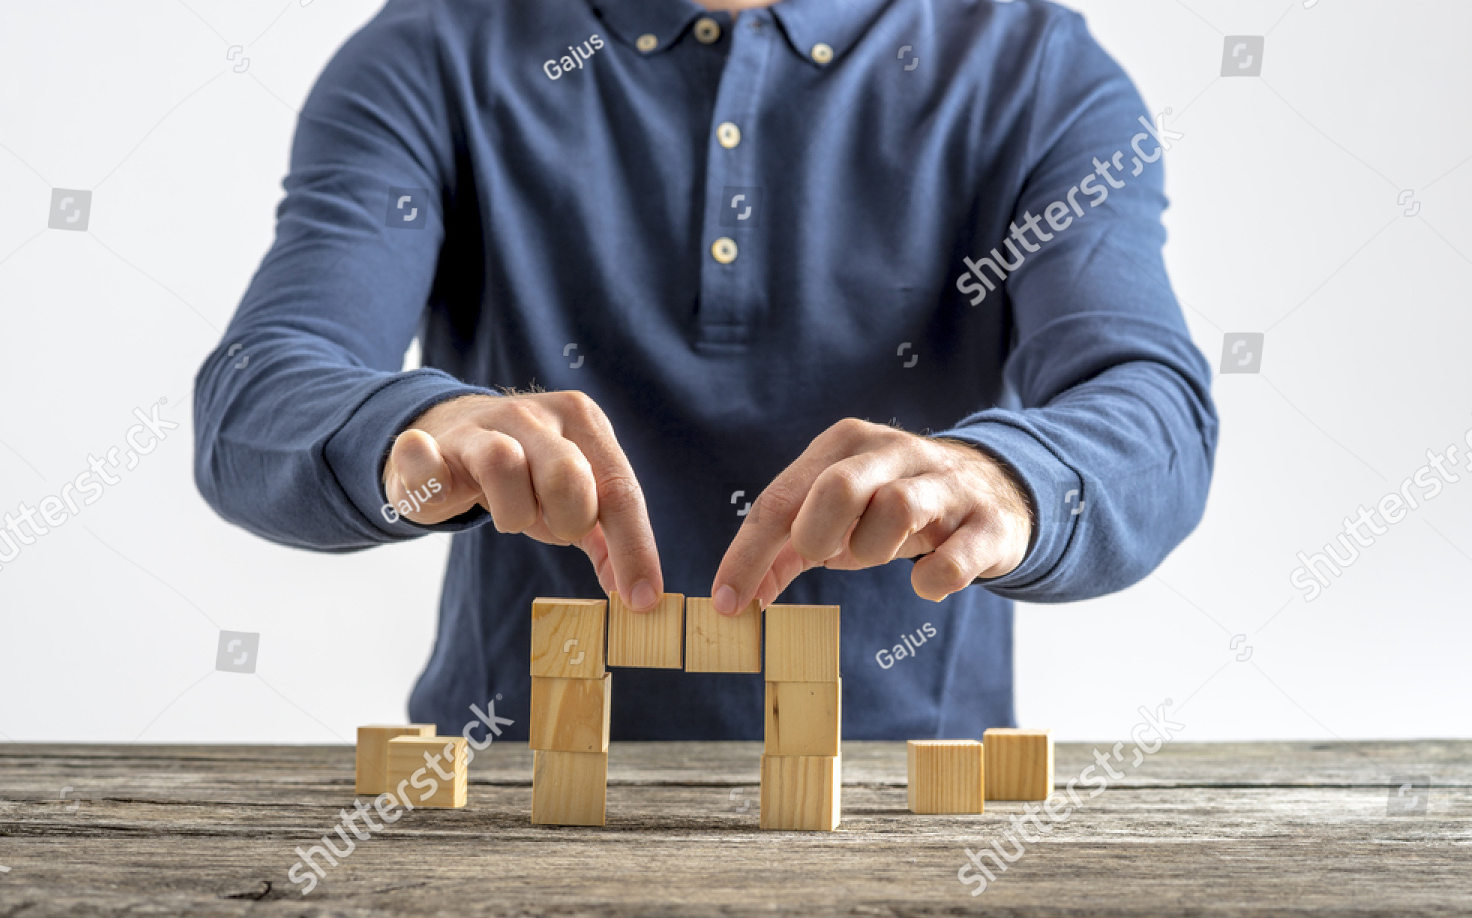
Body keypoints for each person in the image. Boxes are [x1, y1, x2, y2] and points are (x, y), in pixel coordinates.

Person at [194, 0, 1217, 743]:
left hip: (908, 821)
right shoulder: (428, 50)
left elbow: (1150, 405)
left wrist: (1002, 478)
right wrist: (418, 430)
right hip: (508, 810)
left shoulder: (1036, 68)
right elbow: (256, 398)